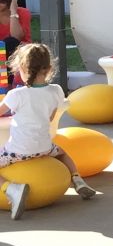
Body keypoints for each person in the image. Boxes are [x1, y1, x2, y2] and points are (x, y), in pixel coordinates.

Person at [0, 43, 98, 220]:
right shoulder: (56, 90)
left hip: (18, 151)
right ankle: (77, 179)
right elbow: (51, 117)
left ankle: (11, 189)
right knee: (63, 153)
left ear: (21, 68)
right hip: (45, 148)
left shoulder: (16, 95)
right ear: (49, 68)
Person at [0, 0, 33, 66]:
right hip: (2, 58)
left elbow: (16, 38)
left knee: (10, 42)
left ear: (11, 0)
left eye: (2, 0)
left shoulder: (23, 12)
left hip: (21, 55)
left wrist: (13, 11)